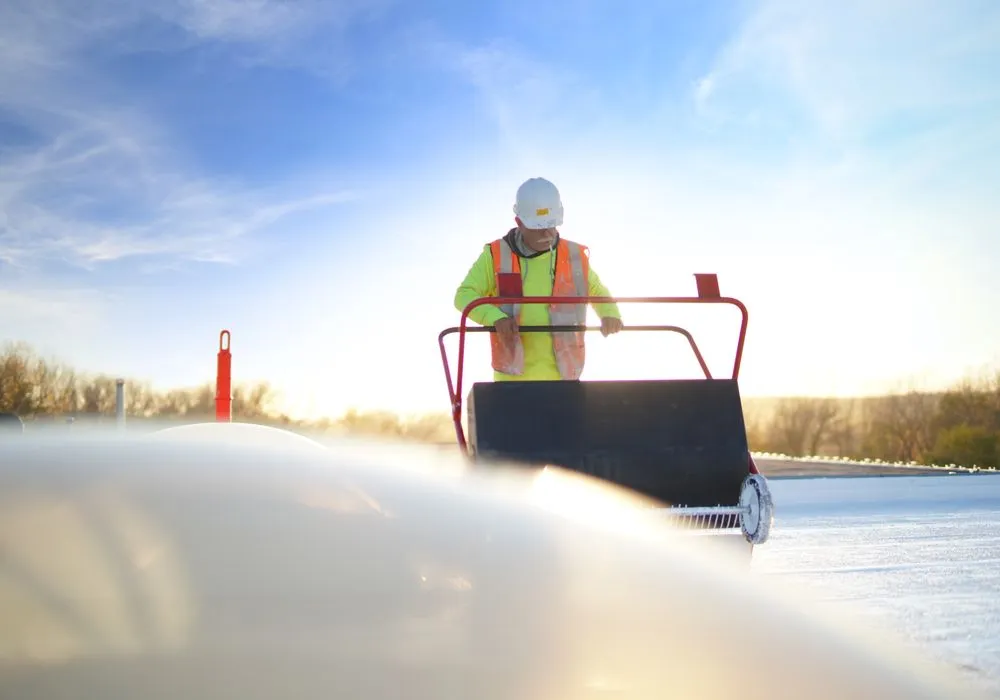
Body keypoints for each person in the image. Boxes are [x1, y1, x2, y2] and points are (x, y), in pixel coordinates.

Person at [454, 177, 623, 381]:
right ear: (519, 222)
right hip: (511, 385)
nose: (547, 232)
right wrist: (495, 318)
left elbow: (596, 290)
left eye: (551, 224)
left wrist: (610, 313)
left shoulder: (573, 256)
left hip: (565, 381)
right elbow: (464, 296)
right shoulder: (496, 256)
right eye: (537, 226)